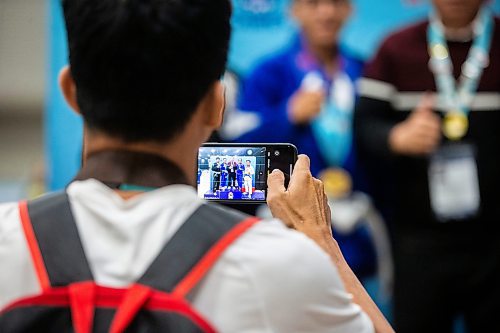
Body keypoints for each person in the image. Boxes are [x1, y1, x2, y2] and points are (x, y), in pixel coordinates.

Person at [0, 0, 394, 332]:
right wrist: (323, 245)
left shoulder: (7, 239)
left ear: (70, 91)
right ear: (215, 105)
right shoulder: (281, 265)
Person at [354, 0, 500, 332]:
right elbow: (364, 127)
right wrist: (396, 137)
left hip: (495, 241)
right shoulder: (395, 47)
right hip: (419, 240)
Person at [235, 0, 378, 280]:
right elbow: (237, 145)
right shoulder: (268, 72)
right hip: (288, 228)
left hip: (356, 228)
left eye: (336, 3)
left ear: (350, 10)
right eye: (313, 3)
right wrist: (287, 116)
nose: (327, 12)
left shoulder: (365, 71)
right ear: (293, 11)